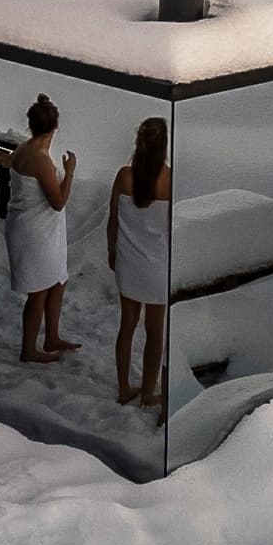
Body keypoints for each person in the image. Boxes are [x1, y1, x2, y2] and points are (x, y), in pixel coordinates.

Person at [105, 114, 173, 412]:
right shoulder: (170, 181)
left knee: (127, 326)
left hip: (128, 263)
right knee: (155, 332)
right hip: (158, 267)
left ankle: (123, 387)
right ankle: (147, 392)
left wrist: (112, 252)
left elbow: (113, 222)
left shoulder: (123, 177)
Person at [6, 93, 79, 366]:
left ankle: (52, 336)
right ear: (54, 128)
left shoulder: (24, 149)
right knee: (38, 291)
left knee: (58, 281)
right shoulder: (39, 160)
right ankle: (29, 348)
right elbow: (58, 201)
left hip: (42, 229)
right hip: (34, 232)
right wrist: (70, 172)